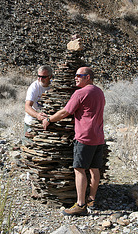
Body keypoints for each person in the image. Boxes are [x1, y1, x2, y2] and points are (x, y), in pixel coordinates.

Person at [42, 67, 105, 216]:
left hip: (84, 136)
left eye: (79, 75)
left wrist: (49, 119)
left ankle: (80, 205)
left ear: (88, 77)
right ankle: (91, 200)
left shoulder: (80, 93)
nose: (75, 78)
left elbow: (65, 112)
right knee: (94, 169)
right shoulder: (99, 92)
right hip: (98, 136)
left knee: (80, 169)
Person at [24, 65, 53, 141]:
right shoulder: (34, 87)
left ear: (50, 76)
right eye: (38, 76)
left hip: (48, 121)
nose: (40, 79)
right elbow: (27, 106)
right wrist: (37, 115)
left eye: (43, 77)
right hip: (32, 121)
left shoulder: (54, 86)